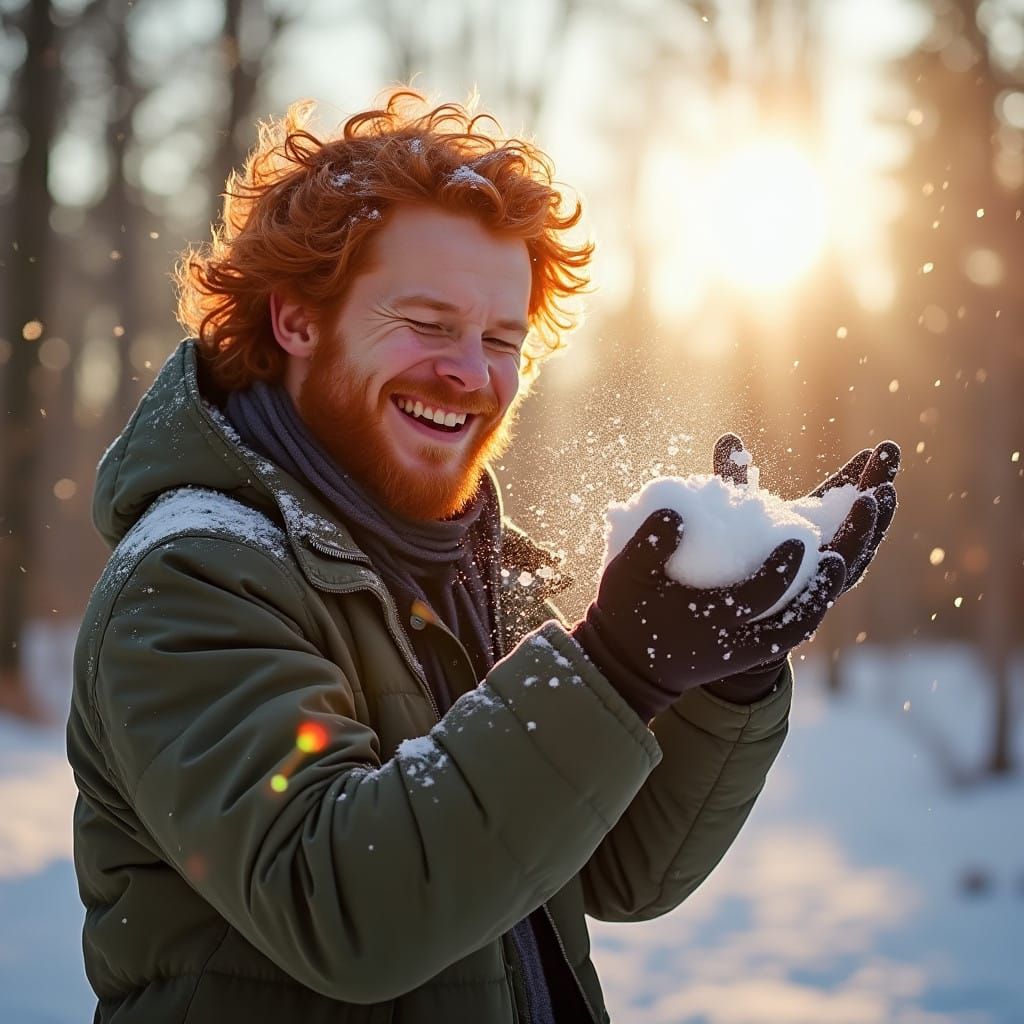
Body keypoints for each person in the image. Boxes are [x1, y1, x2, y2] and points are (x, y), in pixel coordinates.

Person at [67, 90, 899, 1023]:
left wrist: (723, 671)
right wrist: (617, 669)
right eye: (427, 323)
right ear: (296, 320)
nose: (472, 374)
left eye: (502, 339)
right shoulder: (196, 575)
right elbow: (344, 905)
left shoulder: (468, 570)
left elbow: (618, 869)